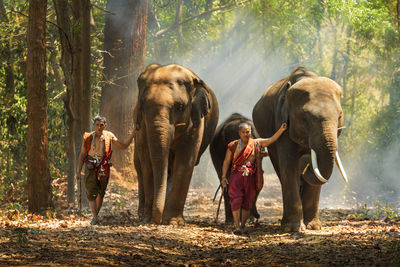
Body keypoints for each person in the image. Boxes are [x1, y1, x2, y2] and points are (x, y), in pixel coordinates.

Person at [221, 122, 287, 234]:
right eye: (244, 132)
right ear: (239, 133)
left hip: (251, 176)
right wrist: (223, 177)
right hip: (236, 176)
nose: (246, 134)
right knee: (236, 199)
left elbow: (271, 140)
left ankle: (242, 225)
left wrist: (281, 129)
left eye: (248, 132)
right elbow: (227, 162)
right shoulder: (233, 145)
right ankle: (236, 226)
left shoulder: (256, 143)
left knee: (248, 201)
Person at [76, 115, 136, 225]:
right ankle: (95, 217)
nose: (99, 127)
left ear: (105, 126)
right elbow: (82, 154)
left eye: (101, 125)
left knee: (101, 192)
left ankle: (95, 216)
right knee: (90, 192)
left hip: (104, 167)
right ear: (93, 125)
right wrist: (78, 171)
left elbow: (123, 146)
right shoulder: (89, 138)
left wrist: (133, 134)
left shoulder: (109, 136)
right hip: (91, 167)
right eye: (97, 125)